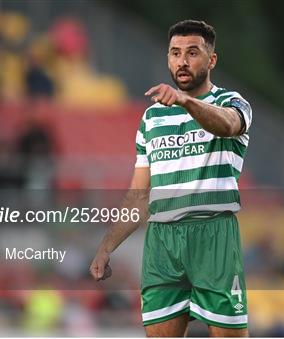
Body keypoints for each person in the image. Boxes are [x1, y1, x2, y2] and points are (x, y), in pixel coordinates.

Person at [90, 20, 252, 337]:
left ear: (211, 60)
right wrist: (107, 247)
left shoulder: (230, 102)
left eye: (192, 53)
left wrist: (185, 100)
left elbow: (228, 126)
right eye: (175, 53)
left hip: (213, 235)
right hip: (162, 242)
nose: (182, 61)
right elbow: (138, 195)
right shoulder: (152, 117)